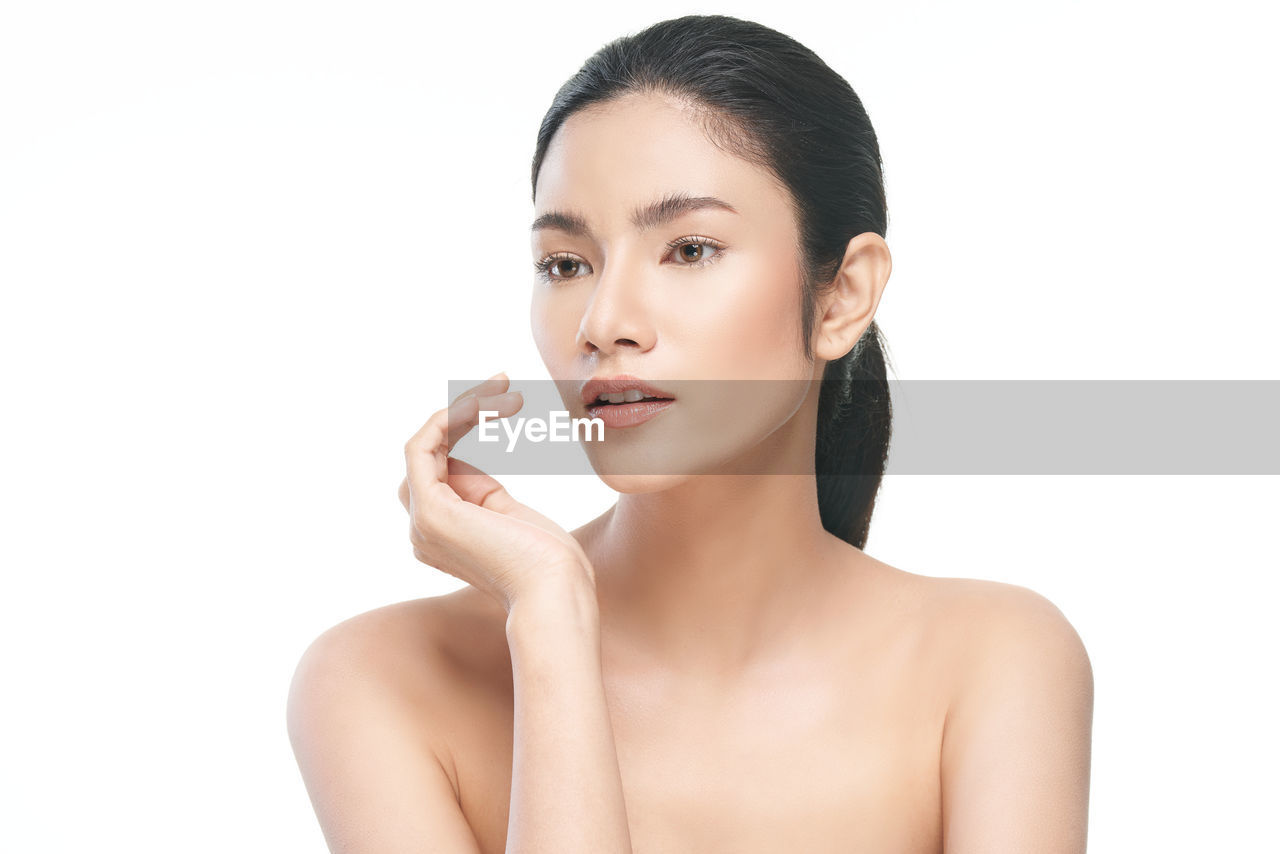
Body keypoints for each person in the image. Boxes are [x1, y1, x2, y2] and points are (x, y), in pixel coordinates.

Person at [287, 14, 1093, 854]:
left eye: (690, 248)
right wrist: (552, 616)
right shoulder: (381, 678)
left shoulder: (993, 663)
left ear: (842, 295)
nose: (604, 323)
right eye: (567, 264)